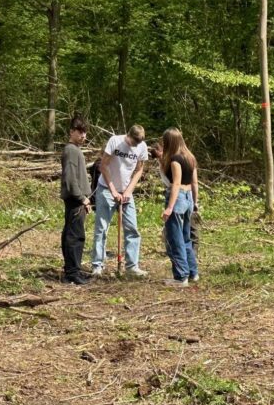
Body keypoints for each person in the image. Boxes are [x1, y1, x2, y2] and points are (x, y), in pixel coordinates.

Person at [91, 124, 149, 277]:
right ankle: (98, 265)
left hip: (126, 192)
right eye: (133, 142)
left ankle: (132, 266)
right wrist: (113, 191)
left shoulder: (142, 146)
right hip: (106, 189)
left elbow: (139, 169)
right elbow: (103, 166)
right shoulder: (115, 142)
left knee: (132, 228)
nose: (134, 146)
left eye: (138, 143)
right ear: (128, 135)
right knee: (101, 228)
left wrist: (129, 190)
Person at [156, 130, 200, 286]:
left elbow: (176, 183)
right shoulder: (190, 158)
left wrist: (169, 207)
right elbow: (194, 183)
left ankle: (181, 277)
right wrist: (195, 202)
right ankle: (193, 273)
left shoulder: (175, 160)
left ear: (169, 142)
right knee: (186, 238)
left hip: (178, 198)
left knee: (175, 239)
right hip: (188, 199)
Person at [60, 116, 93, 285]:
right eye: (80, 132)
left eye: (85, 132)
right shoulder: (71, 150)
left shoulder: (75, 150)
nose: (83, 135)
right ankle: (72, 272)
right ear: (71, 131)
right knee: (75, 236)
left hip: (78, 199)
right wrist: (82, 199)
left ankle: (73, 270)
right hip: (76, 200)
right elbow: (70, 178)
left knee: (72, 234)